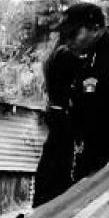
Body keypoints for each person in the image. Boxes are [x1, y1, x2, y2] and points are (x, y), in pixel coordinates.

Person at [59, 2, 109, 181]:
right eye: (66, 36)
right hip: (88, 148)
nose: (69, 41)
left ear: (95, 29)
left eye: (74, 34)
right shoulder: (84, 57)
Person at [32, 42, 82, 207]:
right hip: (62, 115)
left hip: (55, 112)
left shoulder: (53, 55)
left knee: (51, 161)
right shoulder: (65, 56)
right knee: (60, 165)